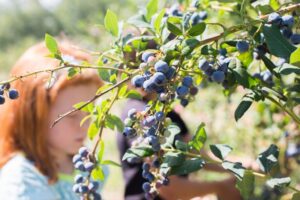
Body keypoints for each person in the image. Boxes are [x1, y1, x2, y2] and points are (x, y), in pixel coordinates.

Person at [0, 42, 105, 199]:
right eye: (72, 114)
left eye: (90, 113)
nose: (84, 125)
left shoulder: (84, 162)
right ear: (35, 114)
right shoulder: (21, 182)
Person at [117, 88, 242, 200]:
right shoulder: (141, 116)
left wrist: (240, 167)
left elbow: (198, 156)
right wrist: (220, 187)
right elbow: (169, 189)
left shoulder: (165, 113)